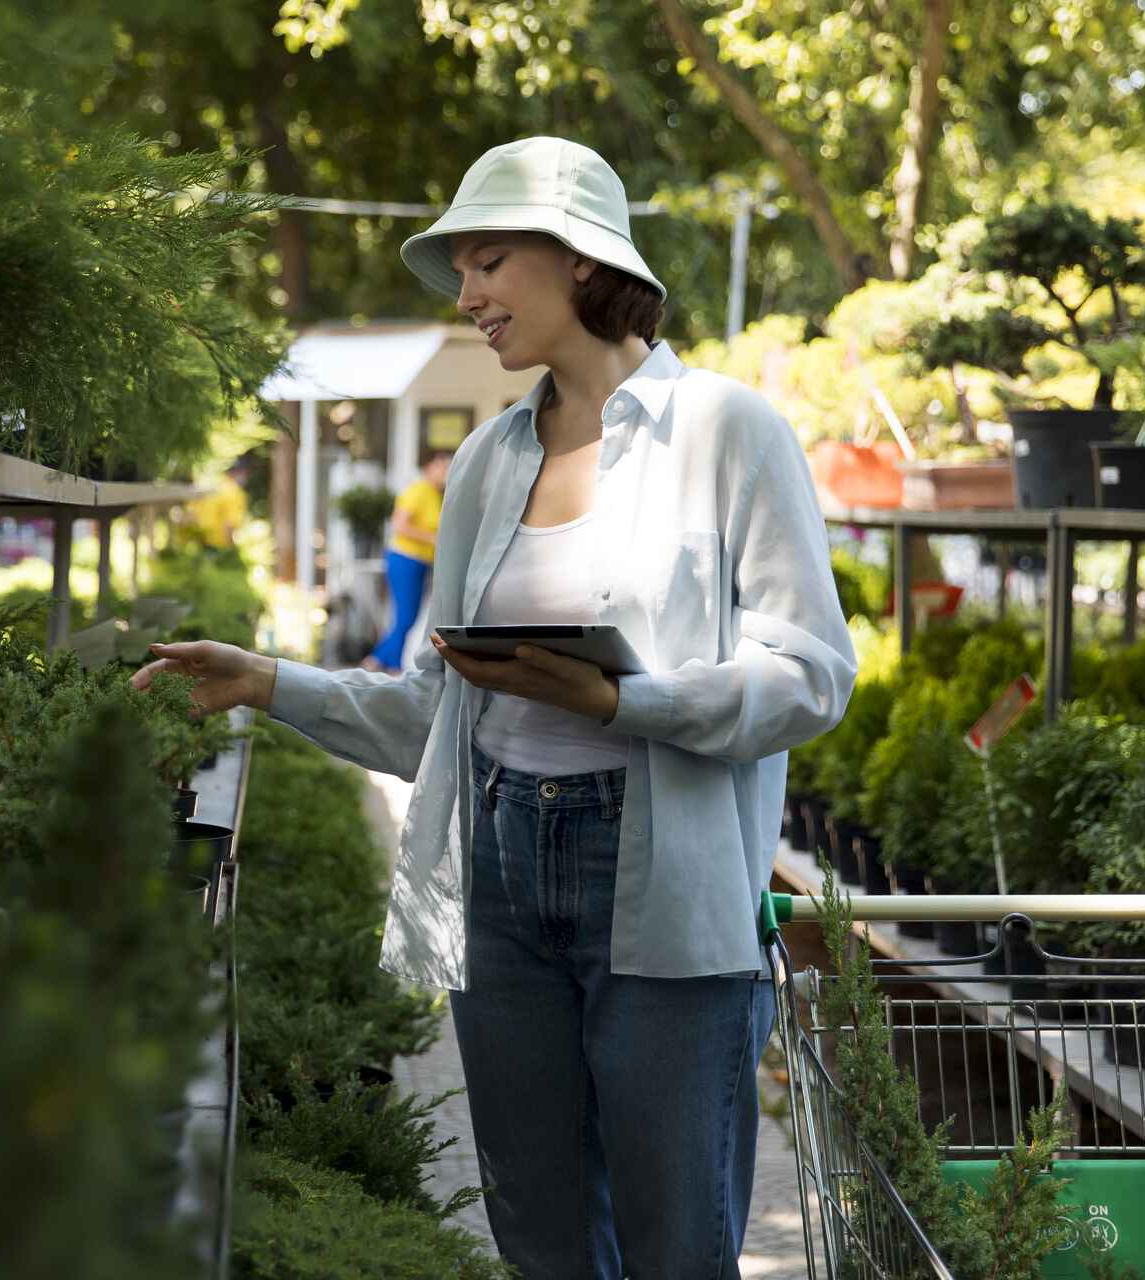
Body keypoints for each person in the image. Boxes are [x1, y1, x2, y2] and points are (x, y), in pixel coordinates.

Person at [132, 136, 855, 1279]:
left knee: (680, 1242)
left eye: (486, 262)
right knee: (542, 1239)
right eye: (463, 269)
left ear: (576, 262)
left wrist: (623, 698)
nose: (466, 296)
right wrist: (266, 681)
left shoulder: (727, 431)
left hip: (658, 880)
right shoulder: (483, 463)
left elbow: (812, 673)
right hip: (500, 875)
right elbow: (439, 714)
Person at [363, 450, 451, 674]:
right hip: (405, 559)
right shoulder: (418, 491)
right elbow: (399, 526)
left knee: (408, 618)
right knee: (406, 617)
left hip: (420, 563)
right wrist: (433, 538)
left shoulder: (434, 494)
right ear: (429, 467)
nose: (446, 472)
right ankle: (385, 664)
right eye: (443, 467)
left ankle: (380, 663)